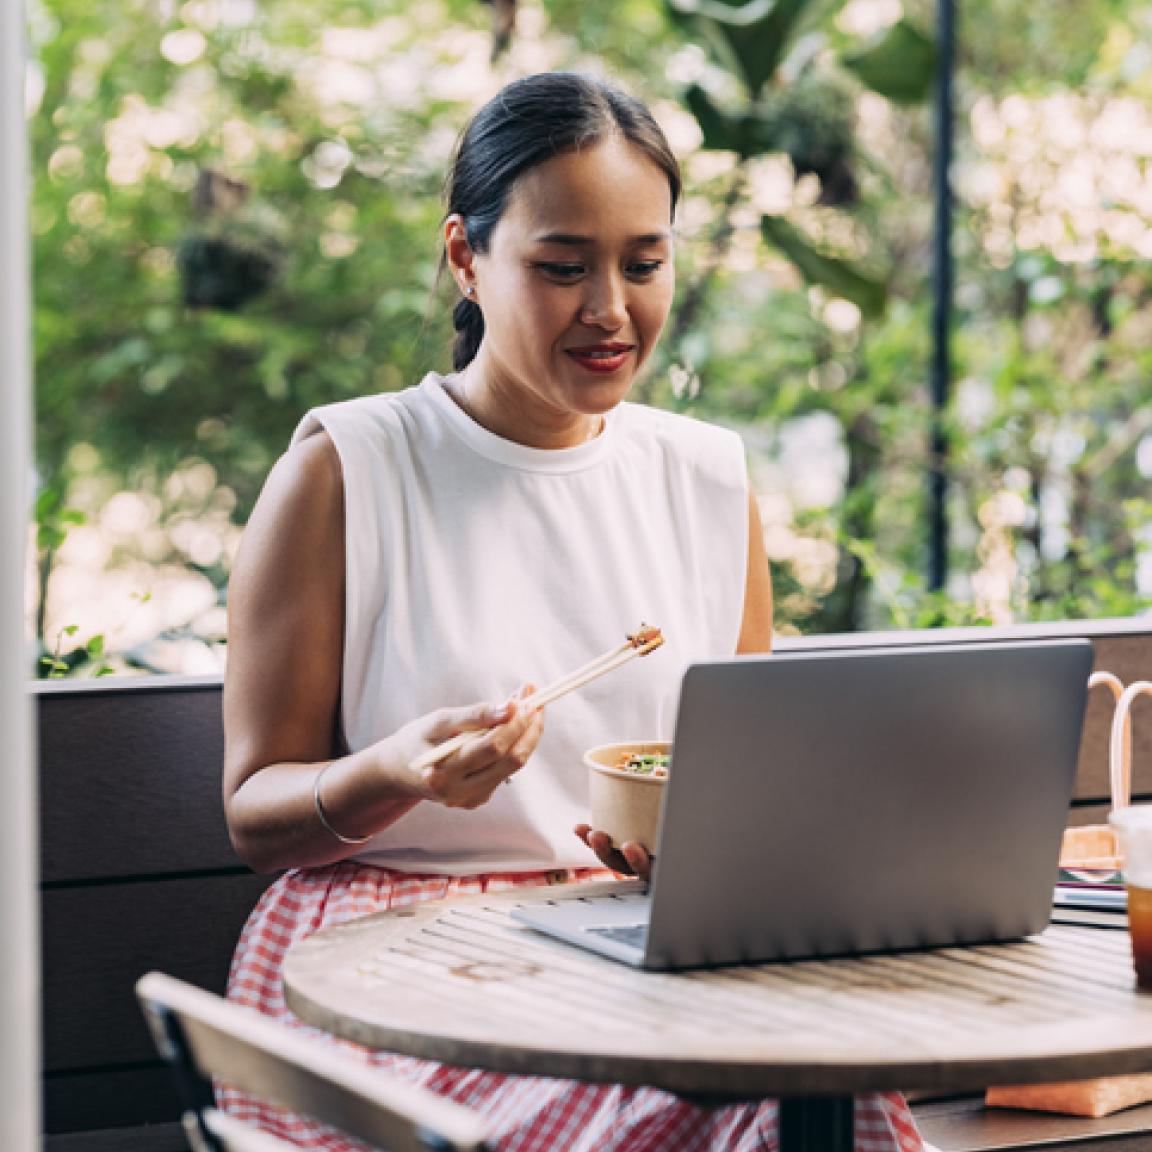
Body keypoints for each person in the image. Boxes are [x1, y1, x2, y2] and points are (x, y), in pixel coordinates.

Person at [221, 71, 923, 1152]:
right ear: (465, 256)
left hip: (631, 954)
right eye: (561, 268)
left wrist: (698, 851)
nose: (611, 310)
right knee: (747, 1108)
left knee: (818, 1092)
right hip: (393, 968)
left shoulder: (705, 477)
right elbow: (255, 812)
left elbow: (738, 785)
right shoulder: (350, 467)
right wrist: (395, 772)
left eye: (646, 263)